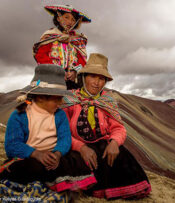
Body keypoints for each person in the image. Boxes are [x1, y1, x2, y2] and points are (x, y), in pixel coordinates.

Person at [62, 53, 151, 200]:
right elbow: (62, 131)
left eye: (101, 78)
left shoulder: (107, 100)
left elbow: (118, 128)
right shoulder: (69, 99)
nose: (97, 83)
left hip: (103, 146)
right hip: (76, 148)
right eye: (92, 77)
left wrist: (115, 142)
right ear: (83, 77)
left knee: (121, 158)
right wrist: (81, 148)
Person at [0, 64, 96, 194]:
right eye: (57, 99)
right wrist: (36, 154)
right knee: (32, 167)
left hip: (54, 158)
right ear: (40, 97)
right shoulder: (19, 115)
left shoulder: (60, 115)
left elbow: (65, 139)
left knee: (74, 159)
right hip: (29, 158)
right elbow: (12, 145)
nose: (61, 102)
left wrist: (57, 154)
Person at [33, 5, 91, 90]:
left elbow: (82, 61)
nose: (70, 22)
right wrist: (57, 71)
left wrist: (75, 71)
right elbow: (40, 56)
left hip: (71, 81)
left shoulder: (77, 40)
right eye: (66, 17)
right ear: (58, 18)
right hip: (50, 79)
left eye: (73, 20)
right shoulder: (50, 36)